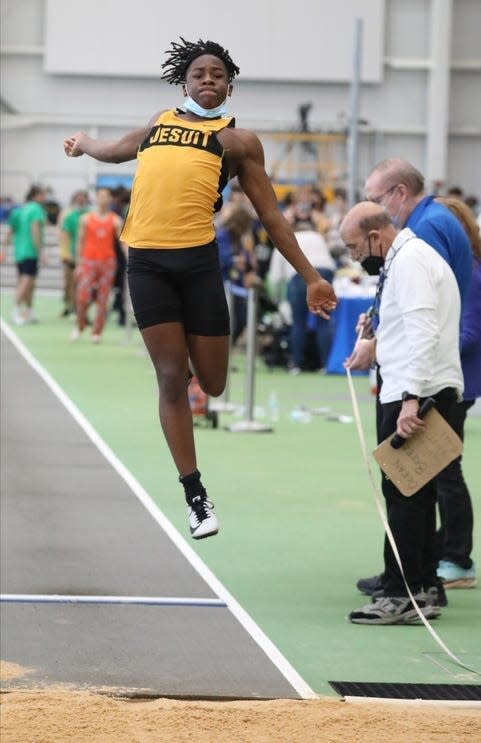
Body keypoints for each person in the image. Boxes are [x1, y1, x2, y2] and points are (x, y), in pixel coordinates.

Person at [64, 37, 337, 540]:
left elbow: (272, 217)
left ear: (229, 84)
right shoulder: (157, 124)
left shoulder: (238, 143)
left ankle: (188, 358)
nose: (207, 79)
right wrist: (85, 144)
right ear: (184, 84)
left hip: (197, 264)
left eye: (217, 74)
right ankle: (195, 495)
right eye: (198, 74)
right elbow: (115, 150)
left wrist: (312, 276)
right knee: (171, 377)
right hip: (147, 264)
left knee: (211, 382)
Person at [355, 159, 473, 600]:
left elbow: (422, 314)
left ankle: (424, 577)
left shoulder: (424, 233)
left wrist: (411, 395)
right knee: (418, 482)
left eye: (376, 198)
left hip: (428, 375)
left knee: (422, 482)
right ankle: (421, 578)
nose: (375, 208)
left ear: (399, 193)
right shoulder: (423, 229)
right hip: (429, 371)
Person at [433, 197, 480, 588]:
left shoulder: (472, 274)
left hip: (456, 384)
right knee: (438, 472)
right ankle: (445, 550)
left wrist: (427, 344)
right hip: (444, 379)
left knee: (446, 471)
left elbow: (468, 333)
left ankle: (458, 558)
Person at [269, 205, 336, 373]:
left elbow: (275, 277)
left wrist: (276, 301)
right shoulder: (318, 237)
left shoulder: (283, 239)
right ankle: (325, 365)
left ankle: (297, 364)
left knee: (297, 322)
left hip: (299, 277)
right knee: (323, 321)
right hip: (324, 274)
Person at [71, 187, 124, 343]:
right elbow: (80, 241)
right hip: (88, 261)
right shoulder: (86, 219)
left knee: (103, 297)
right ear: (96, 198)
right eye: (100, 196)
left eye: (106, 196)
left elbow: (122, 242)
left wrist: (130, 255)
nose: (103, 199)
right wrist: (78, 264)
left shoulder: (115, 220)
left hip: (107, 262)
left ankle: (97, 331)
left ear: (109, 200)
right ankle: (79, 325)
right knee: (83, 296)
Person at [4, 185, 46, 325]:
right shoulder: (36, 209)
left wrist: (4, 248)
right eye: (42, 195)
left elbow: (11, 230)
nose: (44, 198)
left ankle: (29, 311)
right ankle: (15, 310)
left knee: (29, 284)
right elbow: (35, 230)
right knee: (26, 282)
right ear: (35, 195)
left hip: (19, 252)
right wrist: (40, 252)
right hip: (30, 251)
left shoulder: (20, 209)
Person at [59, 189, 90, 317]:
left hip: (88, 255)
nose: (80, 200)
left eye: (83, 198)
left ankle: (82, 310)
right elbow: (65, 236)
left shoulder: (90, 216)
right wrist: (66, 255)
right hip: (72, 255)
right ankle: (72, 306)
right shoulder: (70, 216)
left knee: (85, 284)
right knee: (71, 283)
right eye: (78, 198)